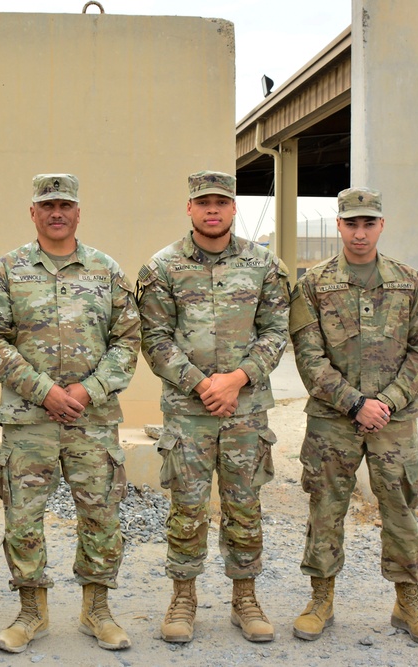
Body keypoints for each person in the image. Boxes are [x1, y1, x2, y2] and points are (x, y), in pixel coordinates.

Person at [0, 174, 141, 653]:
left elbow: (127, 340)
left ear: (77, 212)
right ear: (33, 212)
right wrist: (44, 391)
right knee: (23, 519)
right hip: (30, 422)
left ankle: (97, 610)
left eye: (65, 205)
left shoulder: (105, 270)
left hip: (92, 421)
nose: (56, 213)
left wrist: (88, 391)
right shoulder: (9, 270)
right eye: (47, 205)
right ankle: (31, 613)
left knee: (101, 515)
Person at [137, 170, 289, 644]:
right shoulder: (162, 267)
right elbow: (155, 339)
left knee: (245, 506)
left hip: (245, 413)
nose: (212, 210)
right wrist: (204, 385)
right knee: (186, 507)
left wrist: (237, 380)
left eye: (221, 201)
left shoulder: (265, 264)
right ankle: (183, 597)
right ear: (189, 208)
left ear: (233, 207)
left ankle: (245, 597)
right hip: (189, 414)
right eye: (203, 202)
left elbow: (276, 331)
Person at [289, 187, 418, 648]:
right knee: (325, 509)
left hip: (393, 424)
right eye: (351, 223)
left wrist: (389, 402)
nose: (360, 232)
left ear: (381, 225)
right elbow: (308, 356)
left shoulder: (410, 282)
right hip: (333, 420)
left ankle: (408, 603)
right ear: (338, 225)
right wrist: (355, 403)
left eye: (368, 223)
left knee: (401, 511)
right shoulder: (313, 285)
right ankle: (321, 600)